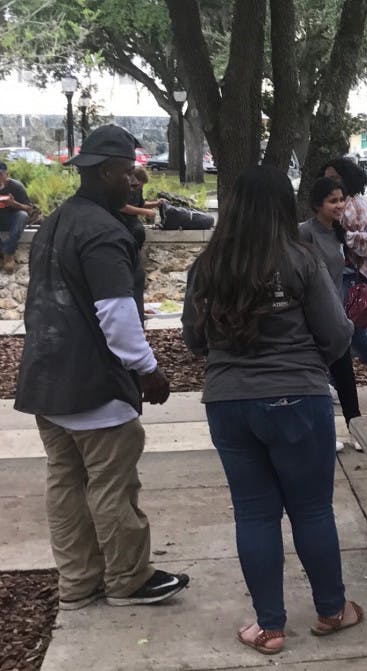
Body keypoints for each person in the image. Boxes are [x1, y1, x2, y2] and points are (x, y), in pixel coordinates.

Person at [182, 165, 361, 655]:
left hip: (229, 403)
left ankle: (269, 628)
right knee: (311, 509)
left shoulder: (207, 265)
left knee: (255, 514)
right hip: (297, 399)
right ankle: (332, 610)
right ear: (286, 207)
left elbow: (193, 339)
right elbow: (339, 335)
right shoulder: (301, 259)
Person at [14, 124, 189, 610]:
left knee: (66, 485)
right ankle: (129, 580)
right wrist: (148, 369)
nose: (137, 181)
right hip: (93, 386)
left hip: (46, 380)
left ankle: (78, 582)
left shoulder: (57, 221)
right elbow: (115, 311)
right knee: (112, 486)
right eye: (131, 172)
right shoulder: (103, 231)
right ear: (108, 171)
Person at [299, 177, 367, 453]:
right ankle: (322, 433)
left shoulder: (339, 232)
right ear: (318, 204)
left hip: (337, 317)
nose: (340, 205)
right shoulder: (305, 232)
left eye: (342, 199)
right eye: (333, 201)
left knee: (345, 376)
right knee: (317, 379)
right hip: (312, 319)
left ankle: (357, 430)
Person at [316, 158, 367, 380]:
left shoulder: (357, 206)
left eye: (335, 178)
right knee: (343, 331)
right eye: (326, 178)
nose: (330, 182)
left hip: (351, 276)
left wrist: (345, 237)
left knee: (349, 332)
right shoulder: (340, 205)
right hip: (337, 274)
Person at [0, 161, 32, 273]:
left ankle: (8, 253)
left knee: (22, 215)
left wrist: (15, 204)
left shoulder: (16, 186)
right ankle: (4, 252)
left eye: (0, 175)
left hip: (11, 219)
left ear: (6, 175)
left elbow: (29, 209)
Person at [120, 165, 162, 248]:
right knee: (137, 232)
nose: (139, 188)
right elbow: (122, 207)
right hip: (120, 217)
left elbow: (141, 204)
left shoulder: (138, 189)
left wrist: (156, 203)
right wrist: (144, 212)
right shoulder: (123, 189)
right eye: (138, 185)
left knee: (140, 232)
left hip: (132, 219)